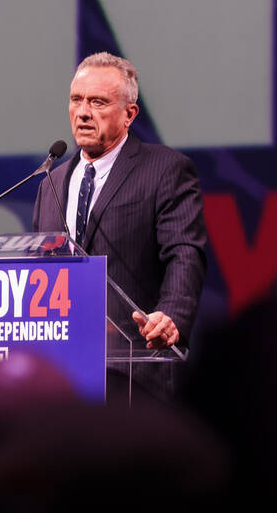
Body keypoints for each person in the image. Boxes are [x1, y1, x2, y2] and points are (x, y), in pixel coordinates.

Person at [32, 53, 207, 399]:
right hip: (60, 375)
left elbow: (184, 254)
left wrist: (170, 316)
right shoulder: (51, 183)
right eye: (77, 99)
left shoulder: (165, 169)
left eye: (98, 102)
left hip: (132, 372)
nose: (83, 112)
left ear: (129, 114)